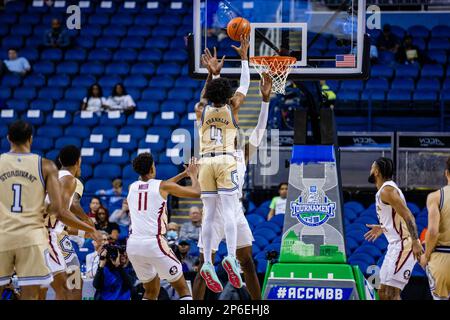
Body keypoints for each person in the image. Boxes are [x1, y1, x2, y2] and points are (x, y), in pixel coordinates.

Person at [193, 53, 271, 300]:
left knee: (247, 258)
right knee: (205, 264)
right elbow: (255, 124)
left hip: (231, 205)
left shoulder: (242, 152)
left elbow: (258, 130)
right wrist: (264, 100)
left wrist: (213, 75)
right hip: (221, 205)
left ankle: (257, 304)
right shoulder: (236, 149)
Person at [0, 120, 101, 300]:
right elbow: (65, 209)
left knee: (40, 288)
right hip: (48, 235)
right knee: (68, 288)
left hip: (10, 231)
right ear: (31, 139)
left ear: (8, 138)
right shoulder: (51, 170)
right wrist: (89, 227)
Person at [195, 35, 250, 293]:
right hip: (227, 160)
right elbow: (245, 86)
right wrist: (244, 59)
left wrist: (211, 75)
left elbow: (205, 95)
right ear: (227, 94)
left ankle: (207, 261)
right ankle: (229, 257)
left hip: (205, 162)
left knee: (209, 213)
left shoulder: (201, 110)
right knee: (228, 210)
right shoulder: (233, 107)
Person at [126, 153, 201, 300]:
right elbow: (196, 192)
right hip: (153, 243)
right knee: (182, 288)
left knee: (151, 291)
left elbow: (162, 186)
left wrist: (182, 175)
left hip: (133, 246)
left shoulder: (132, 187)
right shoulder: (162, 186)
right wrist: (193, 175)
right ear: (152, 168)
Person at [41, 145, 99, 300]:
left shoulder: (51, 177)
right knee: (72, 285)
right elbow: (72, 206)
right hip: (53, 236)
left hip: (46, 232)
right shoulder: (71, 180)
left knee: (46, 286)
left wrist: (84, 229)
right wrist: (88, 225)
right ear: (78, 161)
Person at [364, 157, 423, 300]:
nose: (370, 170)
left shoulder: (388, 191)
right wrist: (383, 227)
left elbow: (408, 216)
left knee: (392, 294)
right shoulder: (384, 191)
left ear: (376, 171)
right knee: (383, 293)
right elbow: (397, 218)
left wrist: (415, 241)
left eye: (372, 168)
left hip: (404, 245)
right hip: (395, 245)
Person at [419, 157, 450, 300]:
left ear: (446, 173)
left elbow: (432, 231)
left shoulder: (436, 197)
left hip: (442, 258)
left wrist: (426, 256)